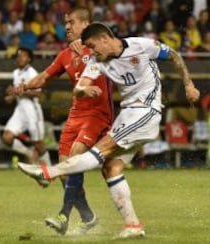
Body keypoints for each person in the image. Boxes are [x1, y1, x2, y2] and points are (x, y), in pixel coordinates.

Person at [18, 22, 200, 238]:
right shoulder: (98, 61)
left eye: (93, 46)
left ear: (105, 39)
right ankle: (133, 225)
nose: (91, 52)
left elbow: (175, 55)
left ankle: (48, 173)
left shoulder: (140, 45)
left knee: (98, 151)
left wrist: (188, 84)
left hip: (146, 111)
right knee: (111, 168)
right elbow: (78, 88)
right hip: (128, 114)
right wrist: (85, 90)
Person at [13, 7, 114, 236]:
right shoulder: (65, 54)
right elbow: (44, 77)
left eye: (71, 22)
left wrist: (88, 46)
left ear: (86, 24)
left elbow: (113, 54)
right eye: (66, 23)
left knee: (76, 155)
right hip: (76, 114)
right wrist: (25, 85)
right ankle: (88, 217)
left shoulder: (99, 46)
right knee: (64, 168)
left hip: (98, 113)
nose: (66, 26)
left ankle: (63, 216)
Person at [2, 47, 51, 167]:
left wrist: (20, 92)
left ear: (29, 59)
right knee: (7, 137)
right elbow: (17, 92)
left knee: (38, 143)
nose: (20, 57)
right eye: (18, 55)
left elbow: (38, 93)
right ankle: (29, 154)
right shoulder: (16, 73)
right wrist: (12, 96)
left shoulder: (32, 72)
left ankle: (50, 169)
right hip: (20, 110)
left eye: (23, 55)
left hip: (32, 111)